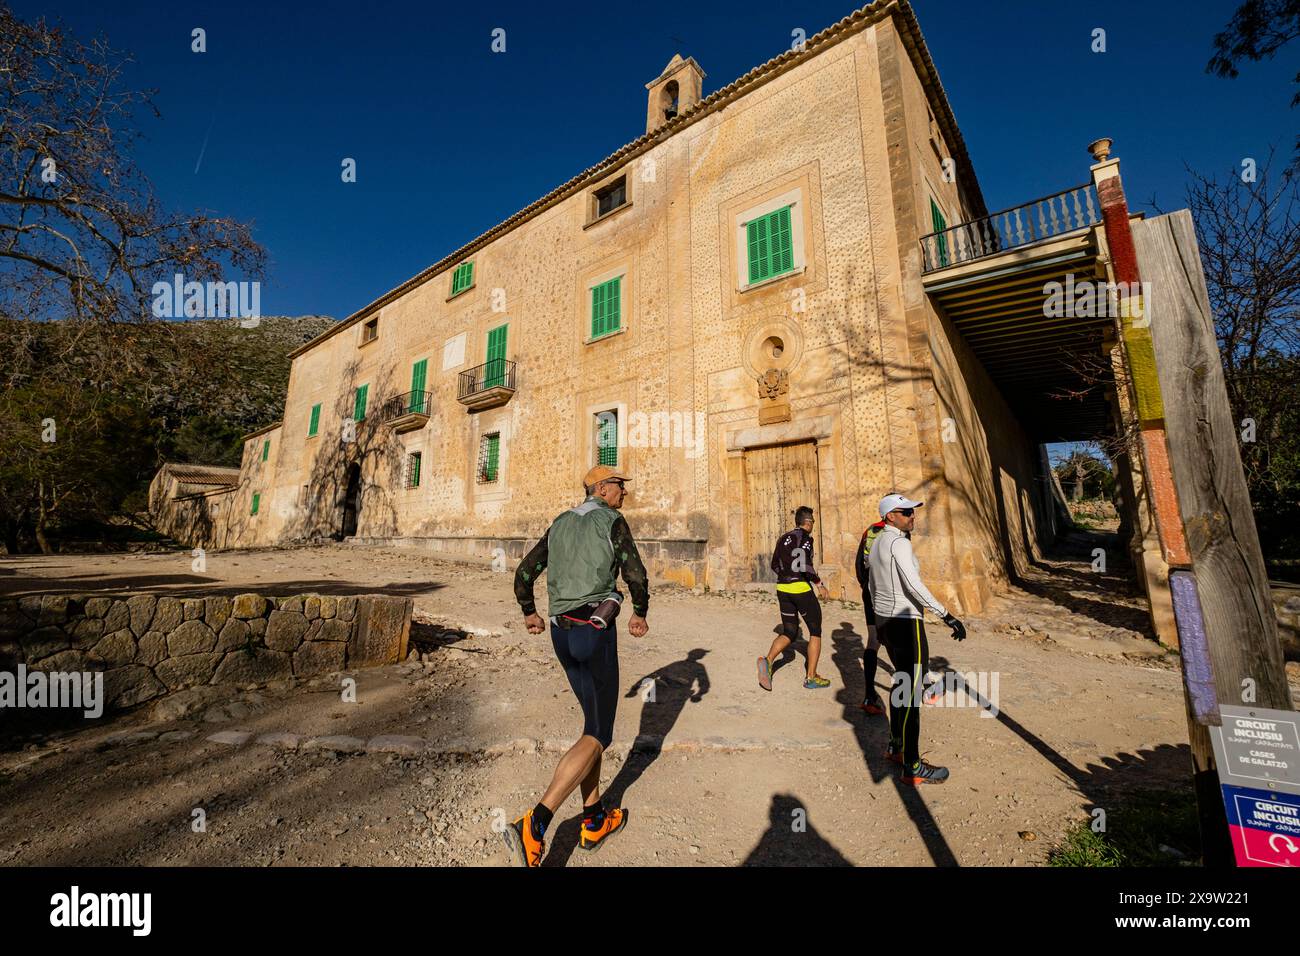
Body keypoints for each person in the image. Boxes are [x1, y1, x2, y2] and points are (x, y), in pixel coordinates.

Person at [503, 464, 650, 866]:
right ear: (601, 488)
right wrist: (640, 611)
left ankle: (594, 817)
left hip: (561, 634)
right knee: (600, 733)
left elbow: (523, 573)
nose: (624, 493)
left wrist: (529, 612)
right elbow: (635, 572)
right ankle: (535, 821)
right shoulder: (611, 520)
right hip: (594, 629)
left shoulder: (560, 523)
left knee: (592, 727)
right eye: (620, 486)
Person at [868, 493, 967, 785]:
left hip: (886, 621)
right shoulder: (898, 543)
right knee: (911, 696)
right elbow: (914, 583)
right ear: (890, 516)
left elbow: (871, 582)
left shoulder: (877, 544)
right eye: (906, 511)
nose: (913, 515)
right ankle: (912, 765)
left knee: (901, 684)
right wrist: (946, 614)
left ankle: (896, 747)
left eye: (913, 511)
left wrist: (878, 617)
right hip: (907, 622)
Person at [757, 505, 832, 691]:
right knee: (815, 631)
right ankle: (811, 677)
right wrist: (819, 584)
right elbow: (805, 564)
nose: (813, 524)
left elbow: (775, 564)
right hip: (800, 589)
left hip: (782, 588)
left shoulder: (783, 538)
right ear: (808, 522)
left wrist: (785, 576)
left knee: (790, 631)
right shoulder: (806, 539)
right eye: (812, 521)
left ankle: (767, 661)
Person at [854, 516, 888, 715]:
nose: (911, 516)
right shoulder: (897, 532)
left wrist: (864, 583)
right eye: (907, 511)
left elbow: (859, 562)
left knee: (873, 640)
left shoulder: (870, 530)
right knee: (900, 642)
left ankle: (869, 695)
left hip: (869, 589)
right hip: (888, 592)